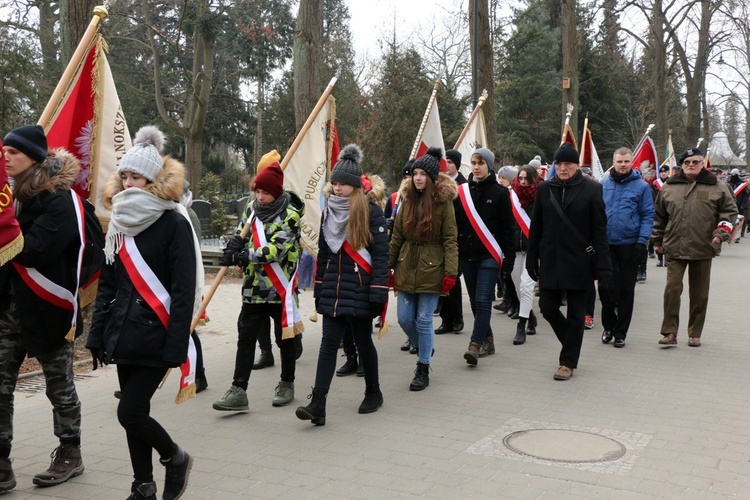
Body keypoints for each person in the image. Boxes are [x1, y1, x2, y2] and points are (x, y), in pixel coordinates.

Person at [87, 126, 199, 500]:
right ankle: (143, 485)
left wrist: (176, 345)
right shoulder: (118, 221)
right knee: (135, 413)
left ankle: (175, 457)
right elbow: (108, 284)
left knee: (130, 413)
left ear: (153, 179)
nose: (128, 181)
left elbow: (183, 292)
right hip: (123, 332)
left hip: (158, 332)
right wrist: (97, 334)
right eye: (124, 174)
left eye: (136, 176)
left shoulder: (174, 222)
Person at [0, 125, 85, 492]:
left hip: (48, 307)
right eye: (4, 151)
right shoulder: (6, 196)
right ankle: (1, 463)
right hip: (7, 308)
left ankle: (70, 452)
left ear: (33, 156)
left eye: (13, 152)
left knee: (59, 386)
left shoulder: (59, 198)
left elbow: (36, 249)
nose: (5, 157)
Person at [296, 144, 389, 425]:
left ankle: (373, 391)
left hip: (360, 288)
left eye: (343, 184)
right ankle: (318, 403)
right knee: (327, 345)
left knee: (363, 342)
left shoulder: (371, 212)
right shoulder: (329, 212)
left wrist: (378, 291)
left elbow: (381, 255)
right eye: (334, 183)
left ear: (354, 186)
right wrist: (320, 285)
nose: (337, 188)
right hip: (335, 289)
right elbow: (324, 253)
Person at [212, 158, 304, 412]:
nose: (261, 197)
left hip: (279, 289)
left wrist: (246, 256)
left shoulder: (290, 215)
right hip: (254, 288)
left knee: (283, 339)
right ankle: (238, 390)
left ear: (277, 192)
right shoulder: (252, 209)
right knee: (246, 337)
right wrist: (234, 248)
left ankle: (287, 383)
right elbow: (243, 231)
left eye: (266, 192)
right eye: (258, 191)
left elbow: (277, 249)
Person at [526, 142, 611, 380]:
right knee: (547, 307)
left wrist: (603, 266)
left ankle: (567, 363)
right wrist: (532, 259)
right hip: (551, 260)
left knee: (576, 314)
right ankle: (572, 343)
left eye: (568, 164)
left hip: (580, 261)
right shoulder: (545, 189)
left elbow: (599, 231)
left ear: (576, 166)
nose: (563, 168)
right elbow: (536, 227)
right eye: (559, 164)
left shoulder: (592, 190)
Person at [652, 147, 738, 348]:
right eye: (687, 162)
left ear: (702, 164)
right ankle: (670, 332)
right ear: (682, 165)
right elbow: (660, 217)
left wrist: (720, 235)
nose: (691, 165)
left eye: (695, 162)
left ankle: (694, 333)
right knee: (672, 290)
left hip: (703, 247)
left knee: (699, 294)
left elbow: (729, 213)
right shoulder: (669, 186)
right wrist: (657, 241)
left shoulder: (717, 186)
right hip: (674, 246)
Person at [390, 147, 458, 390]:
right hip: (407, 264)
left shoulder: (443, 203)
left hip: (433, 265)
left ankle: (423, 366)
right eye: (414, 173)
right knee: (404, 318)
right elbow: (397, 236)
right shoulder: (406, 199)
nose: (417, 178)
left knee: (423, 319)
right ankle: (425, 346)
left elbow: (450, 239)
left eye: (422, 174)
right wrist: (388, 267)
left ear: (431, 177)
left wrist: (450, 272)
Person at [454, 148, 516, 366]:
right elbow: (455, 225)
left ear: (489, 166)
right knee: (474, 302)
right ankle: (488, 340)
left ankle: (475, 343)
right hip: (467, 255)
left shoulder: (500, 193)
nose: (477, 167)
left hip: (490, 255)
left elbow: (508, 228)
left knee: (483, 300)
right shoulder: (461, 192)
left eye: (481, 163)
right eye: (473, 162)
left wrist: (509, 258)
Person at [599, 148, 655, 348]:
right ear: (613, 161)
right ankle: (608, 326)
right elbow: (595, 213)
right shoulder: (603, 185)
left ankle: (621, 332)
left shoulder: (641, 187)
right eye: (619, 161)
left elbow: (648, 215)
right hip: (606, 245)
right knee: (605, 288)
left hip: (629, 244)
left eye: (626, 161)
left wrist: (642, 241)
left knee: (626, 290)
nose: (623, 164)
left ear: (633, 162)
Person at [385, 160, 416, 353]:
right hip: (400, 257)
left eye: (410, 177)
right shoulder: (395, 198)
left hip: (419, 259)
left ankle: (417, 339)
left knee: (418, 307)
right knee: (404, 308)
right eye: (405, 177)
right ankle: (410, 336)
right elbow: (387, 224)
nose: (407, 181)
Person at [508, 165, 541, 345]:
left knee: (526, 287)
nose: (522, 182)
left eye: (526, 178)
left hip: (533, 249)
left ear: (533, 178)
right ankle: (530, 315)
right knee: (517, 284)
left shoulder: (541, 196)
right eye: (520, 178)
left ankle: (521, 326)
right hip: (515, 248)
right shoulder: (512, 196)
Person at [435, 149, 465, 335]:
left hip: (456, 238)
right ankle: (446, 320)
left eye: (451, 162)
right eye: (445, 162)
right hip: (439, 238)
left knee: (453, 279)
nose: (447, 166)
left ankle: (458, 318)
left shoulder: (463, 185)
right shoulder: (438, 184)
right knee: (441, 279)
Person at [727, 168, 747, 243]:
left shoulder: (742, 185)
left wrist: (743, 205)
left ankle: (737, 236)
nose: (733, 176)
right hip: (730, 205)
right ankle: (729, 235)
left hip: (739, 205)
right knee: (730, 220)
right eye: (732, 174)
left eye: (734, 174)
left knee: (739, 221)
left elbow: (745, 196)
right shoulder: (728, 184)